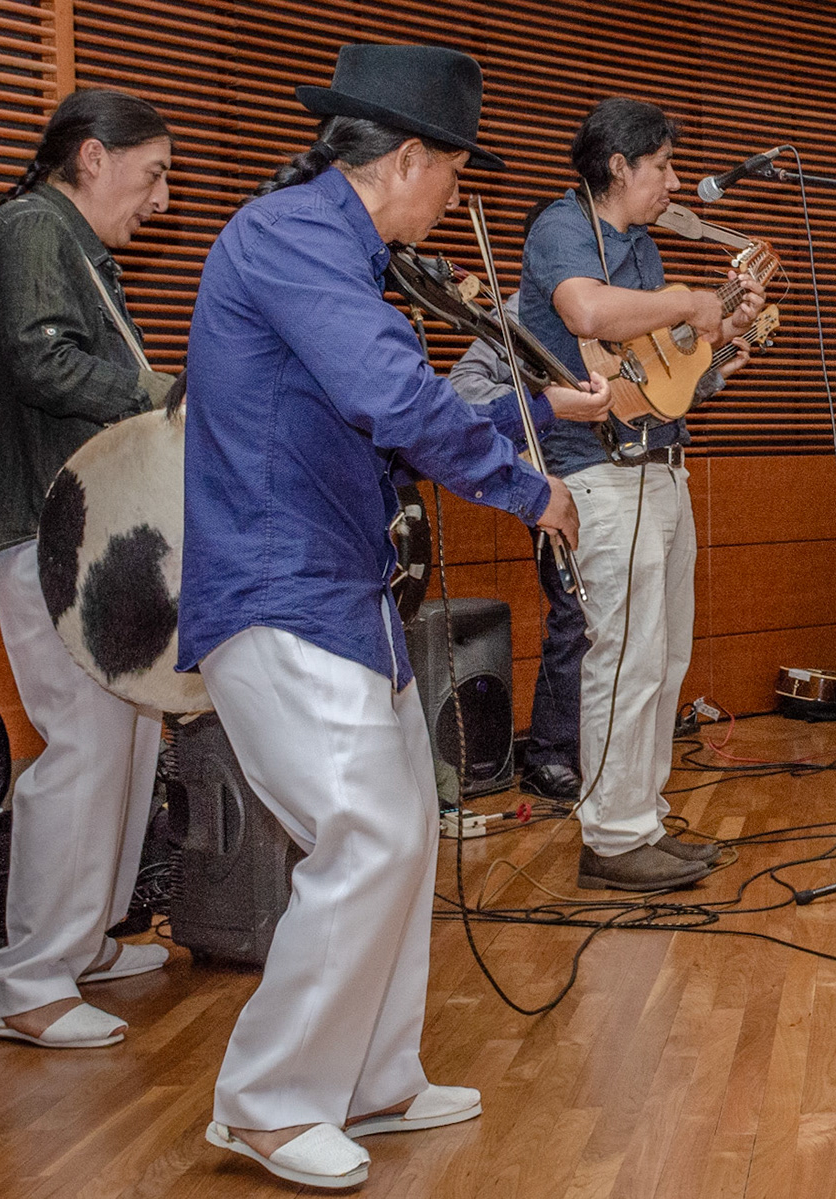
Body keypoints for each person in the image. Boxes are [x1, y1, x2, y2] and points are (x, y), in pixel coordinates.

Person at [177, 45, 600, 1188]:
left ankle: (373, 1075)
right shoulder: (290, 237)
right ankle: (267, 1102)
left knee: (405, 826)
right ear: (407, 159)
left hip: (339, 590)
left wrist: (531, 411)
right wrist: (532, 487)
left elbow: (391, 412)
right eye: (454, 176)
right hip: (279, 585)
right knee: (369, 832)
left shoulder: (335, 254)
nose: (455, 201)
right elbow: (395, 398)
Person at [518, 97, 762, 891]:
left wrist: (720, 336)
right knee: (622, 655)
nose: (675, 181)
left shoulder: (645, 249)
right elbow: (587, 309)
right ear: (618, 167)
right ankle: (612, 838)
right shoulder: (562, 226)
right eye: (663, 165)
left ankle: (641, 817)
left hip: (660, 462)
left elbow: (655, 376)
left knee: (663, 654)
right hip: (597, 469)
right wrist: (692, 303)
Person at [0, 89, 177, 1051]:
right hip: (40, 525)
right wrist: (163, 391)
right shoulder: (30, 226)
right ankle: (28, 980)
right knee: (86, 742)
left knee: (129, 732)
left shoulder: (75, 244)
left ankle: (82, 939)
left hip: (84, 528)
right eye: (155, 173)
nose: (164, 199)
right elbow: (41, 361)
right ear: (93, 157)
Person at [447, 199, 616, 804]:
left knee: (613, 625)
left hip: (620, 482)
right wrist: (544, 408)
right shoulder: (520, 313)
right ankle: (550, 756)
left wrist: (716, 366)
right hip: (560, 483)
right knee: (576, 618)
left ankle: (602, 753)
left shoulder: (616, 312)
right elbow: (463, 390)